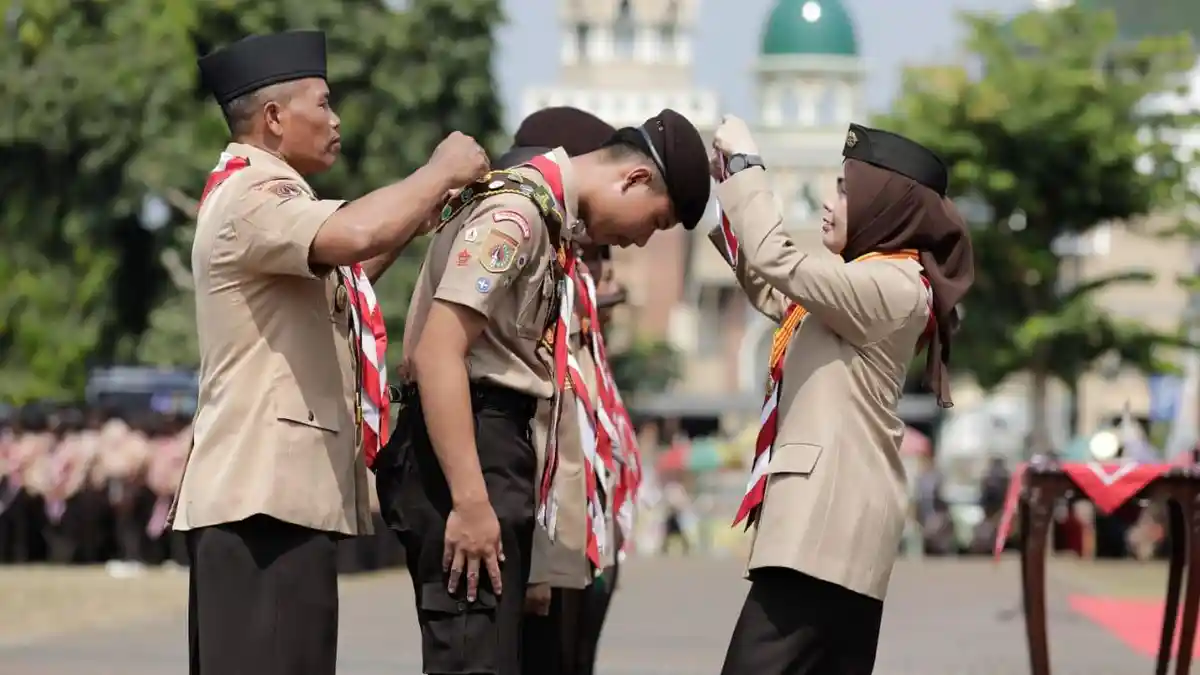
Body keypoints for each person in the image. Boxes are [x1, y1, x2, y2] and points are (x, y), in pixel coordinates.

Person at [173, 30, 489, 675]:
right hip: (260, 504)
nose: (335, 118)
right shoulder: (253, 198)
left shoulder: (272, 200)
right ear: (273, 118)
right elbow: (357, 232)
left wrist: (419, 212)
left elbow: (353, 262)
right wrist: (438, 172)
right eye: (322, 104)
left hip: (278, 499)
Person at [375, 107, 711, 675]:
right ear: (634, 179)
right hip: (473, 448)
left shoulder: (545, 220)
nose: (635, 242)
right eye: (652, 223)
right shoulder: (517, 217)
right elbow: (437, 353)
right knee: (471, 658)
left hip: (493, 447)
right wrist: (472, 501)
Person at [711, 117, 974, 675]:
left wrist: (746, 169)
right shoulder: (869, 284)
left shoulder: (892, 286)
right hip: (832, 531)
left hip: (825, 529)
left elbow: (779, 261)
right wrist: (729, 195)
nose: (828, 202)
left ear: (887, 208)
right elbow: (774, 288)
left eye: (845, 190)